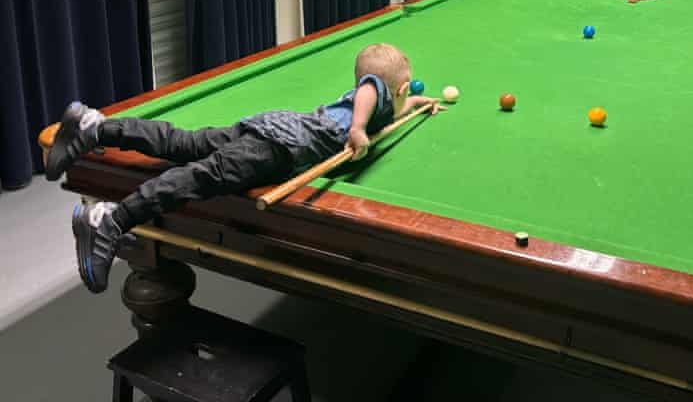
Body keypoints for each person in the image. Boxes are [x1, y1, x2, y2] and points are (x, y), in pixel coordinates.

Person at [45, 43, 442, 293]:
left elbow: (390, 106)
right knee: (204, 176)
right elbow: (372, 91)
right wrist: (357, 128)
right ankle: (110, 219)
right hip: (281, 147)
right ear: (399, 89)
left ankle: (94, 127)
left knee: (185, 143)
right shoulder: (370, 95)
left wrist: (424, 104)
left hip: (272, 126)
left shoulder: (387, 102)